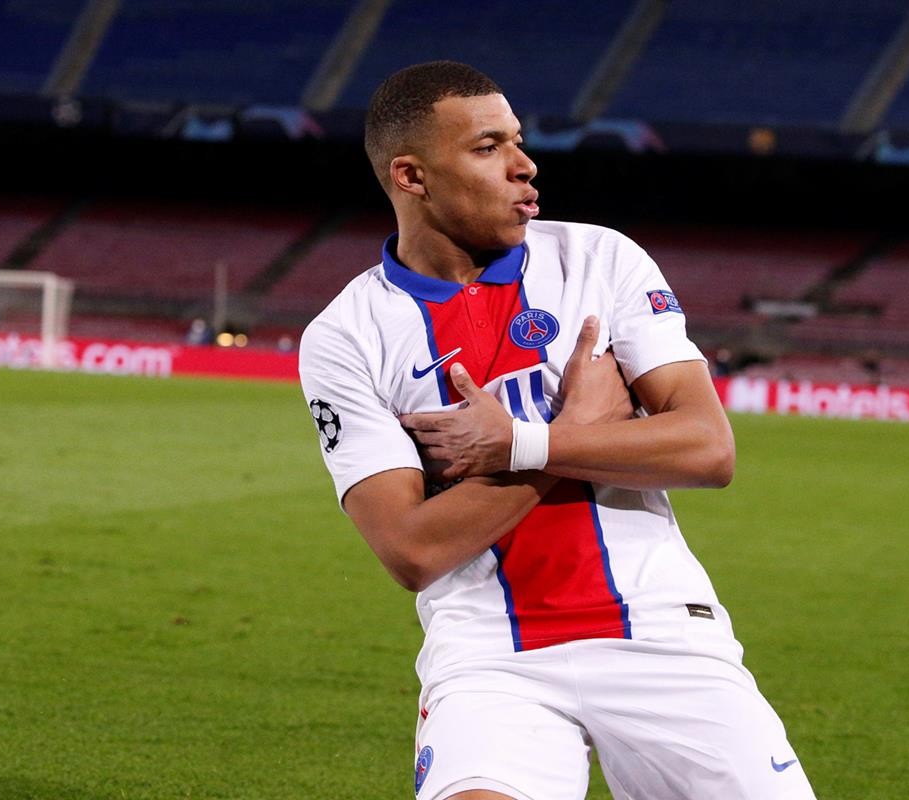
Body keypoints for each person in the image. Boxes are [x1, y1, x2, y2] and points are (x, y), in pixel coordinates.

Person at [299, 61, 816, 800]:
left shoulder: (599, 259)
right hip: (488, 653)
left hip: (661, 631)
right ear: (411, 176)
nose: (525, 164)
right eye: (488, 147)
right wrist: (578, 428)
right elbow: (412, 549)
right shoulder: (347, 335)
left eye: (518, 140)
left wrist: (524, 442)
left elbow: (708, 448)